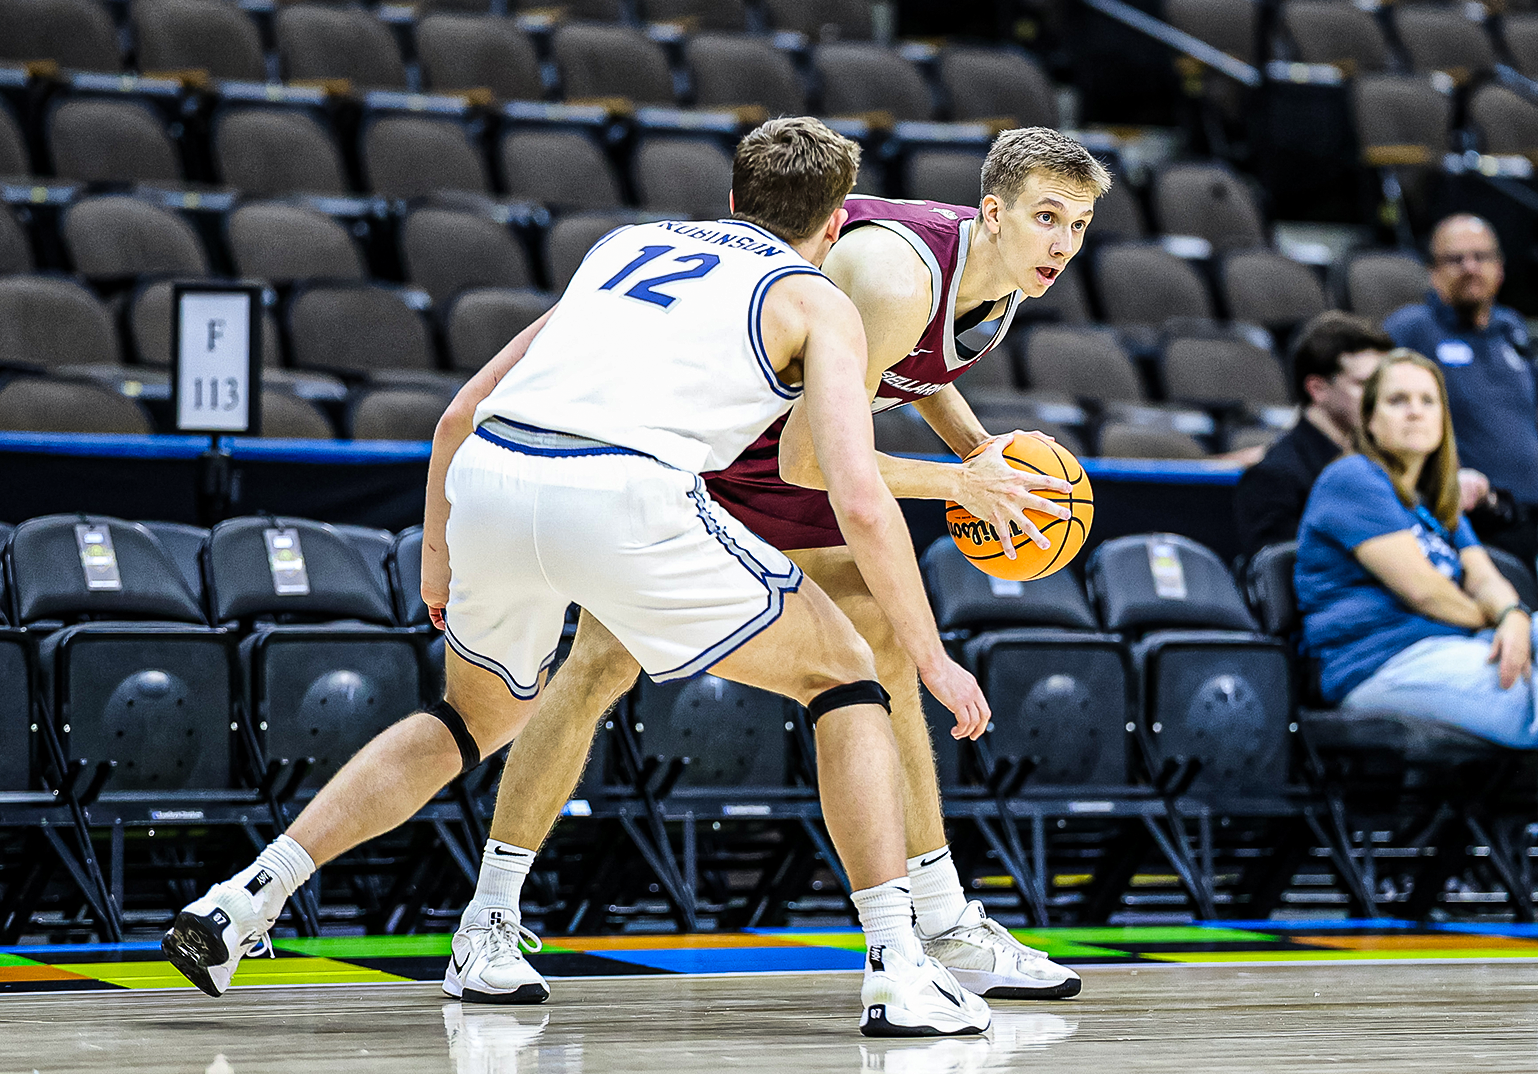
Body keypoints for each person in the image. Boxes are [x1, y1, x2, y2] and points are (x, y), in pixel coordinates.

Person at [163, 117, 998, 1038]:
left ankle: (249, 897)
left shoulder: (625, 245)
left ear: (732, 198)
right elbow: (860, 498)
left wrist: (436, 553)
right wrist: (931, 658)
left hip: (492, 476)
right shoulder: (816, 299)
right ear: (835, 225)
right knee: (846, 678)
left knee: (465, 719)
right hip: (624, 492)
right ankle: (897, 964)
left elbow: (457, 412)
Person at [455, 128, 1112, 1005]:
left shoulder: (1000, 277)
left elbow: (906, 368)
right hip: (721, 448)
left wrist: (984, 451)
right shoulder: (894, 272)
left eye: (1080, 223)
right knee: (598, 665)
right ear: (992, 214)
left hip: (787, 449)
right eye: (1046, 219)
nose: (1063, 243)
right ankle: (489, 915)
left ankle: (942, 919)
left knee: (880, 645)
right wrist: (961, 480)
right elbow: (814, 458)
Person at [1296, 350, 1538, 921]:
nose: (1415, 413)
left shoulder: (1434, 500)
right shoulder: (1352, 479)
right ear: (1369, 419)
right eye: (1397, 401)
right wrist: (1501, 620)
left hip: (1450, 657)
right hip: (1377, 668)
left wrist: (1516, 614)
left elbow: (1486, 577)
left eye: (1428, 401)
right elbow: (1425, 591)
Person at [1385, 215, 1538, 566]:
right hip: (1460, 514)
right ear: (1434, 272)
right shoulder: (1411, 330)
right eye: (1456, 259)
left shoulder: (1511, 327)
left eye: (1481, 257)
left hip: (1525, 513)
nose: (1470, 267)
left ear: (1500, 269)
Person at [1234, 311, 1392, 558]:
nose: (1381, 396)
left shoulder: (1386, 463)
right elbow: (1280, 582)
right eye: (1364, 384)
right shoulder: (1275, 477)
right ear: (1317, 389)